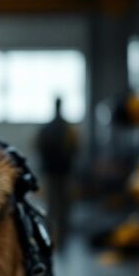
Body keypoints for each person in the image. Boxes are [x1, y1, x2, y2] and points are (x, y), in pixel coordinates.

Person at [35, 97, 79, 248]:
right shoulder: (68, 128)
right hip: (64, 172)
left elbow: (38, 146)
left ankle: (52, 232)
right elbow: (76, 148)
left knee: (52, 203)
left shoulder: (46, 128)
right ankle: (63, 233)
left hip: (51, 172)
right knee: (64, 204)